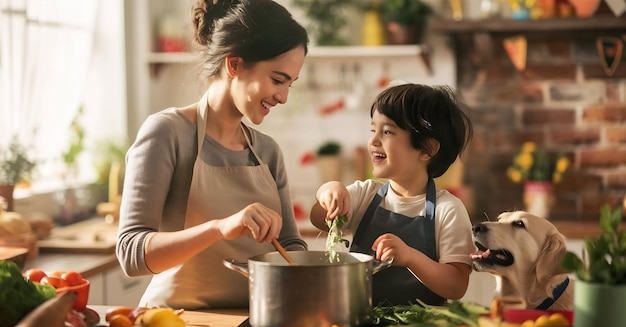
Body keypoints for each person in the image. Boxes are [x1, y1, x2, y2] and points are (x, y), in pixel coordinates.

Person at [116, 0, 309, 310]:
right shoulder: (167, 133)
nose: (283, 97)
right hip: (177, 325)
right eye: (277, 80)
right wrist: (218, 228)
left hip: (256, 322)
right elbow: (131, 253)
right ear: (234, 65)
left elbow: (288, 244)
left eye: (290, 84)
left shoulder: (267, 151)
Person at [310, 83, 474, 306]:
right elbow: (318, 219)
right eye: (373, 130)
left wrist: (410, 258)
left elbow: (456, 286)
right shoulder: (366, 194)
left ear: (427, 148)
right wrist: (329, 190)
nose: (373, 141)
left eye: (387, 132)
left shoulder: (449, 210)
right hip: (359, 323)